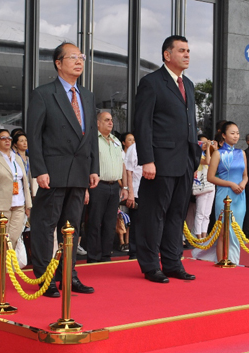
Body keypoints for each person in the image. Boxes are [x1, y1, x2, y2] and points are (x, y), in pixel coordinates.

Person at [27, 41, 99, 297]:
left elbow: (91, 136)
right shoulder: (43, 94)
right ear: (58, 63)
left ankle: (68, 275)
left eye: (81, 57)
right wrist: (39, 169)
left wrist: (94, 168)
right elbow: (33, 137)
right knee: (46, 225)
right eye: (72, 57)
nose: (79, 61)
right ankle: (44, 277)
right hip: (53, 171)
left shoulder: (87, 95)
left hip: (80, 171)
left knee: (72, 227)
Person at [133, 35, 202, 283]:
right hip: (159, 161)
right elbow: (143, 124)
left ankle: (173, 263)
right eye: (181, 50)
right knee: (154, 214)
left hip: (185, 161)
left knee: (177, 214)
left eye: (188, 51)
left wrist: (194, 158)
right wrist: (147, 160)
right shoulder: (151, 83)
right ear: (167, 55)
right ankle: (151, 266)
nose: (187, 55)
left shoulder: (190, 85)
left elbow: (190, 124)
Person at [192, 121, 247, 265]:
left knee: (236, 231)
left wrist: (242, 184)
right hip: (224, 194)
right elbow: (211, 177)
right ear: (223, 135)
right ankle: (222, 261)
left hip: (240, 196)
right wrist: (230, 184)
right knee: (223, 231)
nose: (236, 136)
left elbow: (246, 175)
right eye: (232, 133)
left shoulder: (241, 153)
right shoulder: (217, 153)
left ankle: (234, 260)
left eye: (237, 133)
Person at [0, 129, 32, 271]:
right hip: (0, 205)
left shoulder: (16, 158)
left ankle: (10, 265)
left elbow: (24, 183)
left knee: (14, 236)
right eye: (3, 138)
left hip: (19, 203)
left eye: (9, 138)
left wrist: (28, 204)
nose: (7, 141)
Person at [85, 111, 128, 263]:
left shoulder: (116, 140)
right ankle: (93, 255)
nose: (111, 123)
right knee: (95, 222)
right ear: (98, 123)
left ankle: (106, 254)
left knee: (110, 222)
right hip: (97, 185)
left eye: (111, 120)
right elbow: (86, 163)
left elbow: (122, 165)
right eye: (107, 120)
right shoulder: (92, 140)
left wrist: (125, 187)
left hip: (114, 185)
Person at [193, 135, 217, 239]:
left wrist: (214, 149)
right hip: (201, 184)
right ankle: (198, 235)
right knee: (200, 212)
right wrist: (207, 148)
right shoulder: (197, 155)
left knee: (207, 213)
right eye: (202, 143)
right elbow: (207, 161)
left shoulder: (209, 154)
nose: (204, 145)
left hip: (210, 184)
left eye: (206, 142)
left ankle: (204, 234)